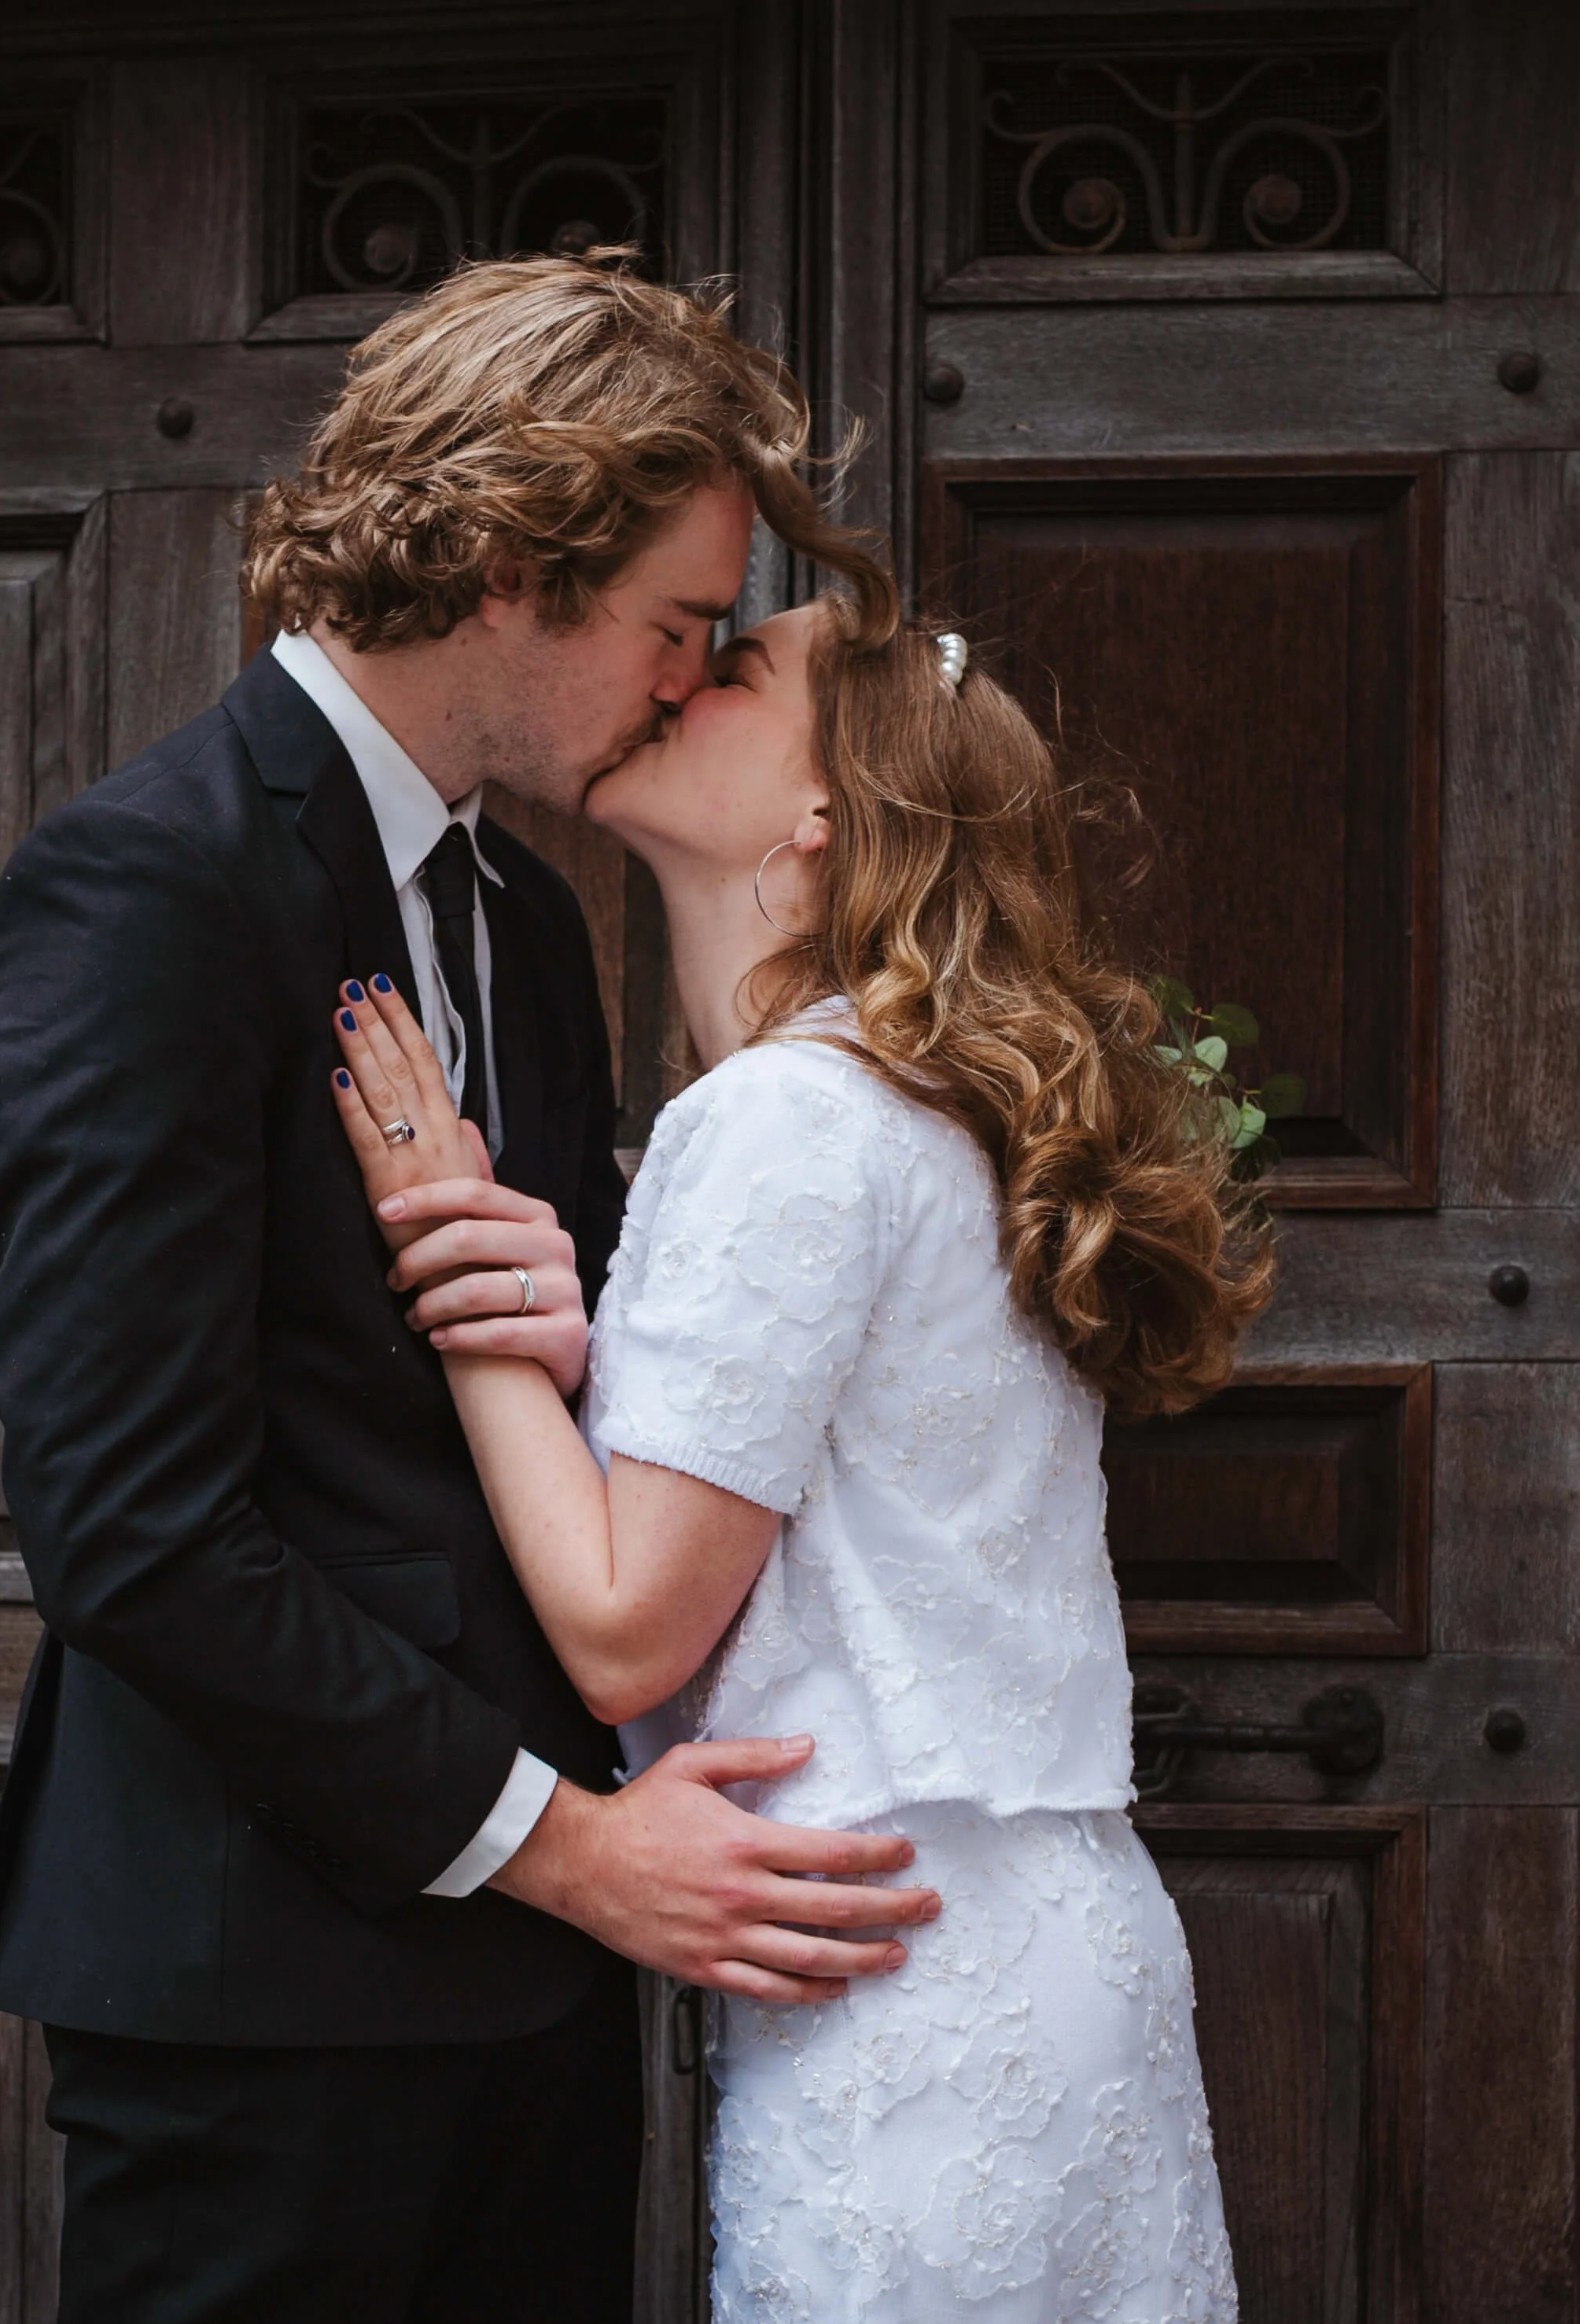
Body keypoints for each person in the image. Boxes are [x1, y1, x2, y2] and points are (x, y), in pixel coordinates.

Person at [0, 255, 941, 2323]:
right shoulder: (152, 881)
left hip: (544, 1990)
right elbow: (130, 1527)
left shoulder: (523, 913)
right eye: (673, 623)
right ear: (509, 562)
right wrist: (574, 1848)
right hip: (263, 1999)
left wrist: (568, 1324)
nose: (687, 682)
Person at [330, 597, 1275, 2321]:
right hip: (1021, 1947)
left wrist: (449, 1265)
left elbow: (625, 1627)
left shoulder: (784, 1117)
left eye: (733, 669)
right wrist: (574, 1347)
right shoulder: (913, 1106)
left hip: (904, 1996)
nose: (671, 677)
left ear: (825, 807)